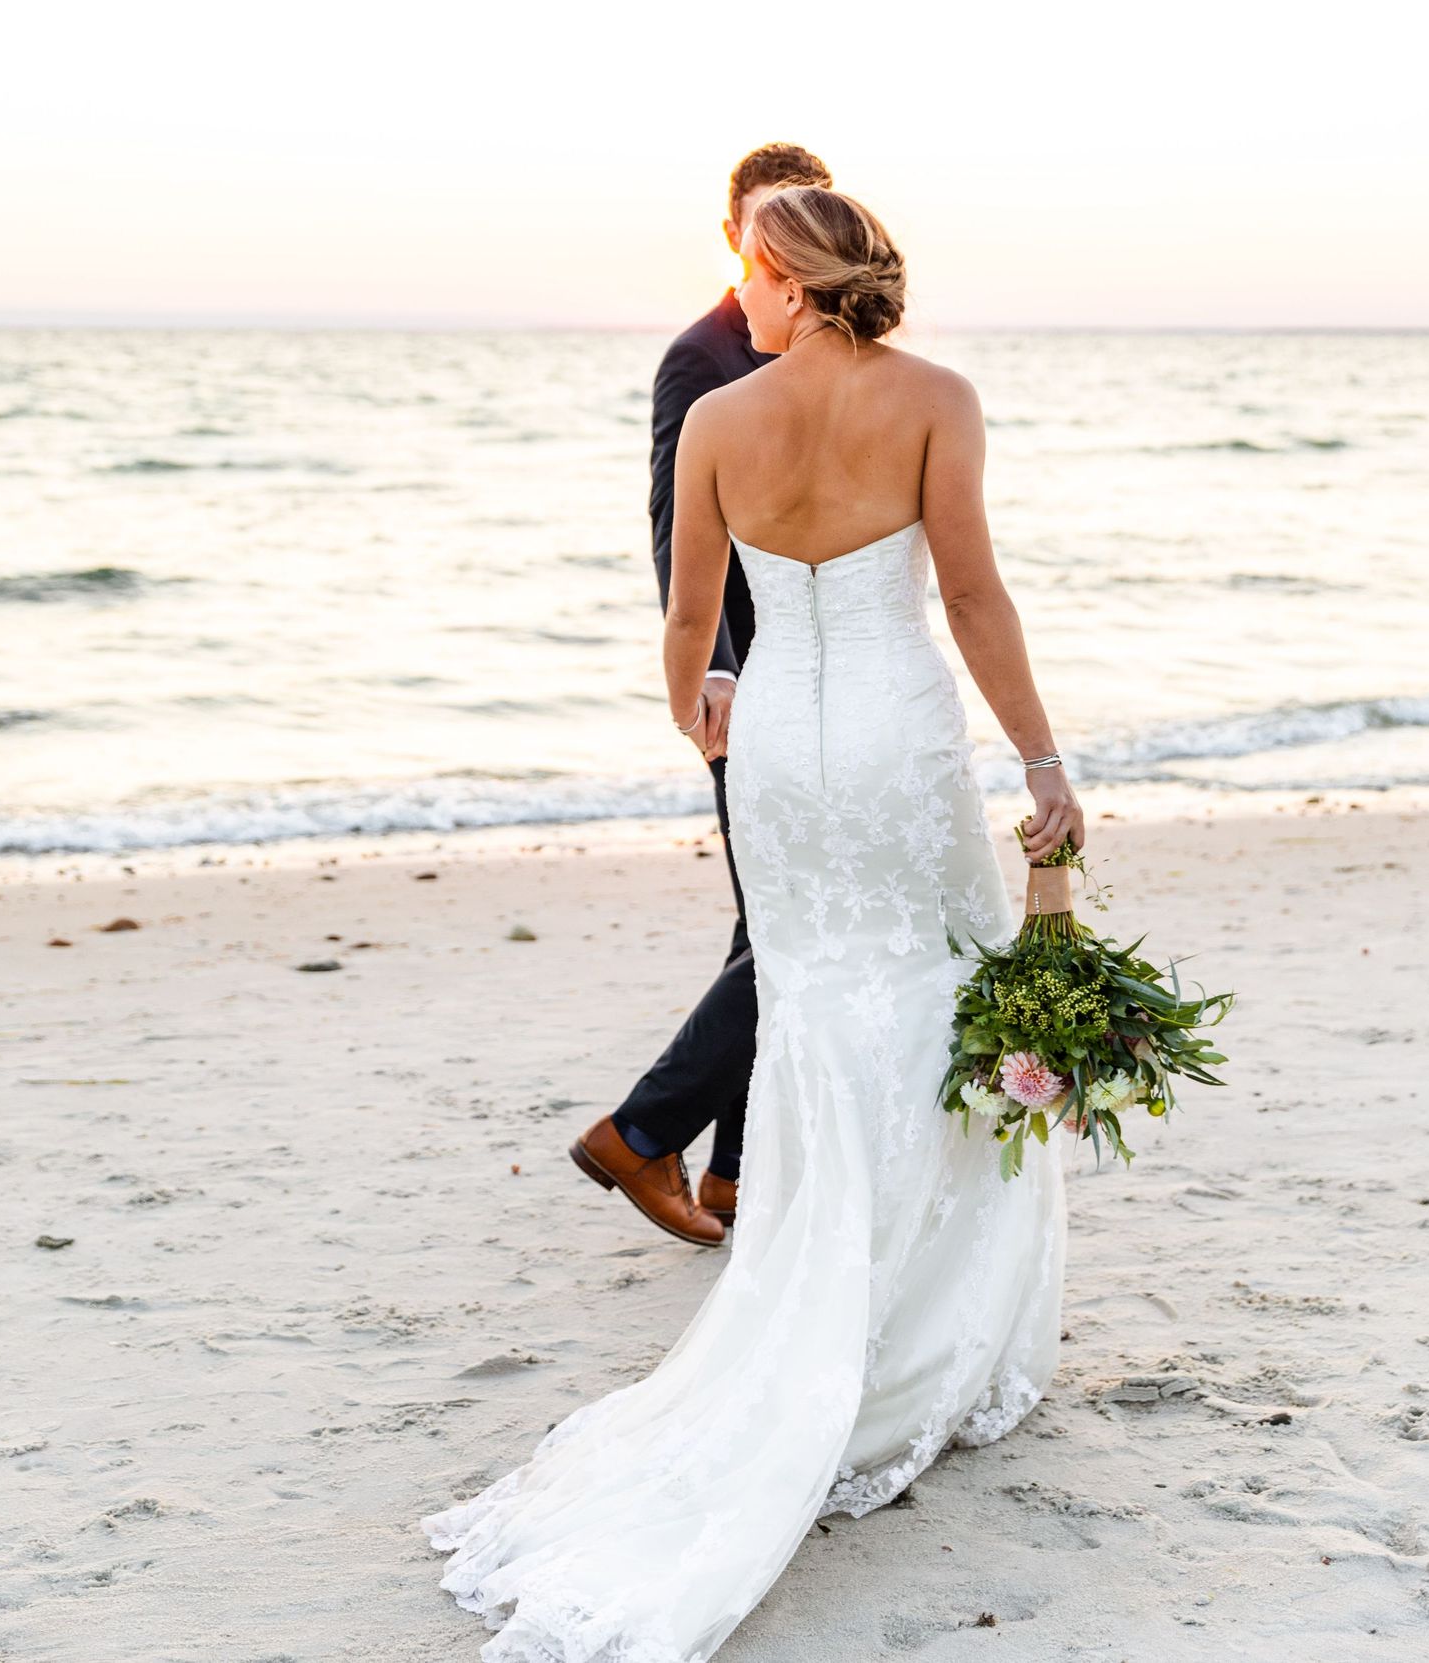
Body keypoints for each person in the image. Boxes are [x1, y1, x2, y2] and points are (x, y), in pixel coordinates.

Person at [421, 184, 1083, 1661]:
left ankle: (813, 1287)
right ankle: (917, 1319)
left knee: (812, 1010)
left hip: (779, 741)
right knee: (940, 996)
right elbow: (970, 593)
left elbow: (686, 617)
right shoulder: (937, 398)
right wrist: (1042, 756)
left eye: (752, 269)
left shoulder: (721, 417)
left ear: (780, 276)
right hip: (904, 733)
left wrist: (705, 717)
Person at [569, 142, 834, 1248]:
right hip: (755, 683)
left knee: (766, 918)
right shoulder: (700, 357)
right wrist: (713, 676)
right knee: (782, 922)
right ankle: (642, 1131)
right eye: (762, 221)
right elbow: (680, 541)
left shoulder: (838, 351)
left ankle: (726, 1170)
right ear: (732, 233)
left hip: (838, 669)